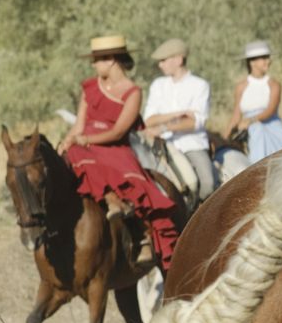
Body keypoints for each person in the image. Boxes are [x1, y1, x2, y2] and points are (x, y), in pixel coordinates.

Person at [60, 35, 180, 272]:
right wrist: (67, 140)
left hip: (114, 147)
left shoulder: (133, 92)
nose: (94, 65)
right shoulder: (90, 87)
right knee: (63, 160)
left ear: (112, 60)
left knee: (134, 186)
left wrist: (84, 139)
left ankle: (140, 235)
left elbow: (118, 132)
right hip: (83, 144)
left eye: (97, 60)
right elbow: (79, 123)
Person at [138, 37, 215, 200]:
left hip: (191, 144)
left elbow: (194, 122)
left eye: (164, 60)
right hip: (159, 143)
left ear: (179, 59)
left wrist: (164, 127)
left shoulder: (200, 85)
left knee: (207, 183)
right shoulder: (158, 85)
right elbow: (149, 120)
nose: (160, 65)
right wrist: (177, 114)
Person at [228, 41, 282, 163]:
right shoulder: (241, 86)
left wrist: (251, 121)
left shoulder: (274, 84)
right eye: (263, 58)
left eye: (267, 57)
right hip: (250, 128)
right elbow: (236, 116)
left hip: (271, 126)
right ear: (252, 62)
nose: (268, 61)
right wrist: (225, 138)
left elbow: (270, 110)